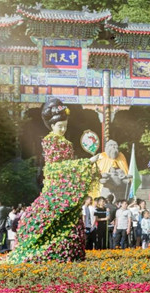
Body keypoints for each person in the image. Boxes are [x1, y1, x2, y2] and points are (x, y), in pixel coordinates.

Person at [9, 97, 98, 263]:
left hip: (66, 184)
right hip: (56, 185)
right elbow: (54, 167)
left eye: (65, 125)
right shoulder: (51, 140)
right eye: (59, 126)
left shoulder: (65, 142)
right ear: (51, 126)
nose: (63, 129)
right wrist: (86, 163)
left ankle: (67, 249)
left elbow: (67, 164)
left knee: (70, 216)